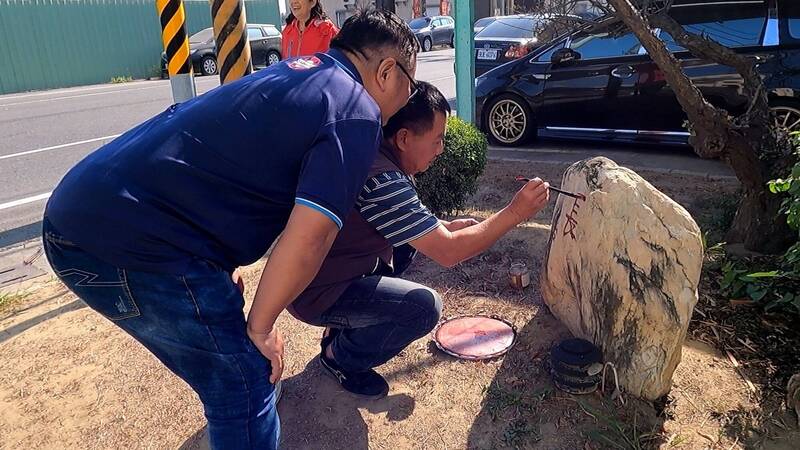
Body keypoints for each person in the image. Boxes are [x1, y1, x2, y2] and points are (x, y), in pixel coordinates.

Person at [41, 10, 419, 450]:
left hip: (83, 210)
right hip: (131, 239)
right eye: (408, 86)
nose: (406, 100)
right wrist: (259, 327)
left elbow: (225, 169)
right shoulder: (357, 110)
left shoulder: (298, 75)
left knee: (237, 371)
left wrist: (222, 264)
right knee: (243, 383)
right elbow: (311, 237)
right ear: (387, 71)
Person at [289, 82, 551, 399]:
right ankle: (340, 359)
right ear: (403, 138)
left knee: (406, 249)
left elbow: (402, 222)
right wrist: (516, 211)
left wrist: (443, 225)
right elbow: (449, 253)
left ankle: (344, 328)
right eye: (437, 139)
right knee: (423, 308)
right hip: (315, 293)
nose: (440, 149)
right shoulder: (382, 178)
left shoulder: (375, 152)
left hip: (323, 274)